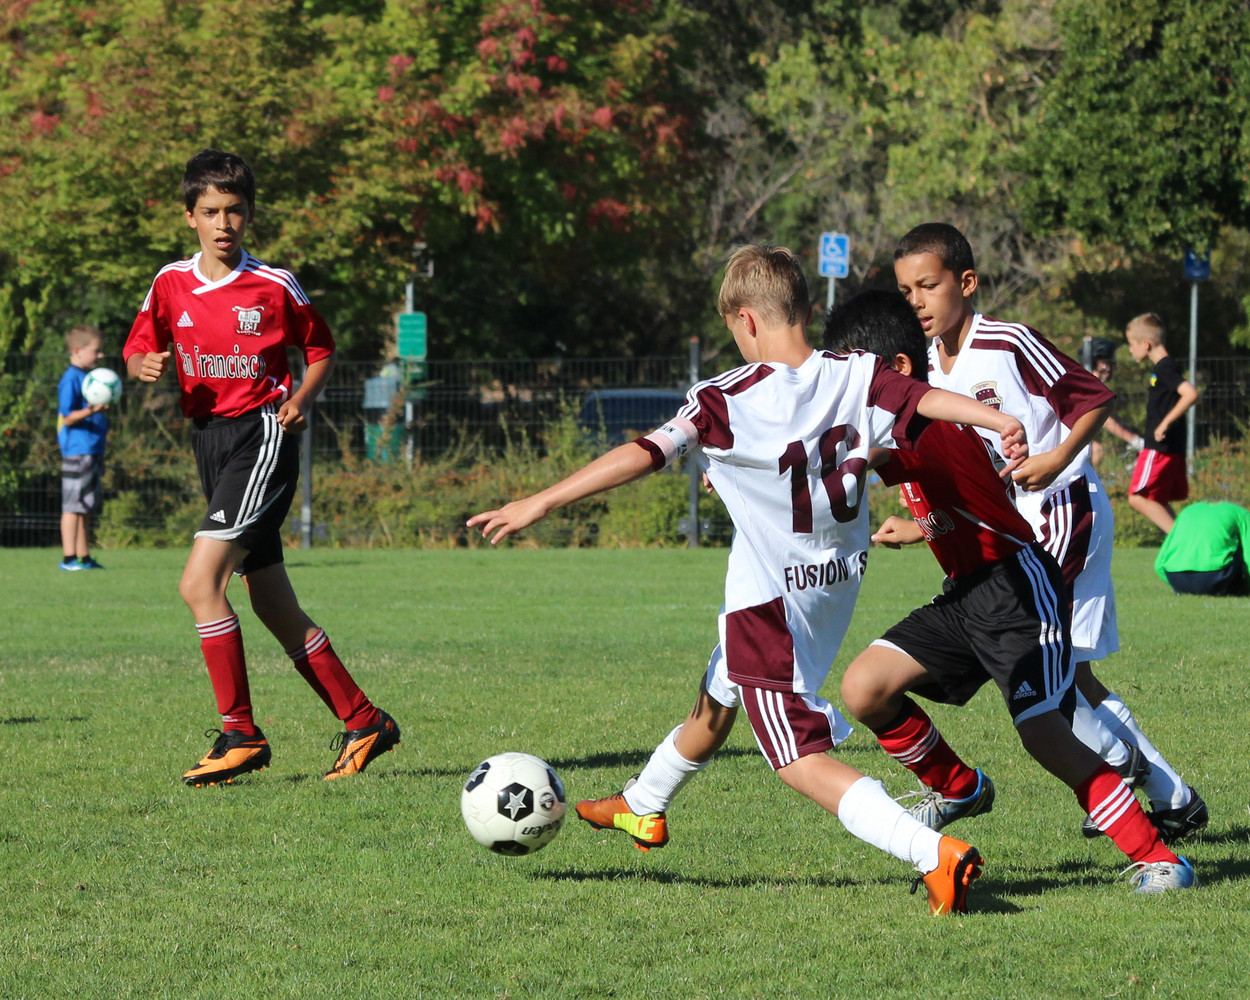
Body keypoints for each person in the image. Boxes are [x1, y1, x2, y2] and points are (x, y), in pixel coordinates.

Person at [469, 243, 1033, 914]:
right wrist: (997, 417)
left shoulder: (724, 399)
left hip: (771, 606)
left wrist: (541, 501)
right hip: (833, 584)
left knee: (796, 756)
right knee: (721, 687)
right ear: (805, 310)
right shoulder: (856, 371)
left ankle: (930, 851)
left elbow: (645, 452)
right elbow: (924, 399)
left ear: (746, 320)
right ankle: (643, 803)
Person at [826, 289, 1195, 893]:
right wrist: (919, 526)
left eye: (849, 375)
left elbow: (849, 456)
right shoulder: (906, 423)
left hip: (1018, 589)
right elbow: (966, 496)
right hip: (964, 597)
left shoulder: (921, 423)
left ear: (896, 372)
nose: (838, 390)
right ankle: (958, 788)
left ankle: (1160, 858)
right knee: (864, 687)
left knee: (1043, 731)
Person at [893, 222, 1206, 843]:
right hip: (1015, 527)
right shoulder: (925, 367)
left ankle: (1114, 766)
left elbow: (1094, 397)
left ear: (967, 282)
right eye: (906, 292)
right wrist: (923, 523)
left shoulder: (1007, 342)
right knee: (1071, 673)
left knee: (1037, 663)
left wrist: (1057, 457)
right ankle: (1173, 799)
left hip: (1060, 509)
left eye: (928, 285)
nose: (917, 302)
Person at [123, 149, 400, 786]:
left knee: (200, 584)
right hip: (210, 443)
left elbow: (321, 347)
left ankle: (241, 734)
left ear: (249, 214)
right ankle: (365, 720)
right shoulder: (170, 282)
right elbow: (140, 343)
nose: (223, 223)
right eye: (210, 212)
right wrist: (141, 364)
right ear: (189, 216)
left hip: (262, 438)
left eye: (235, 211)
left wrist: (301, 399)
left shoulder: (273, 285)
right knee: (272, 603)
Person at [1124, 313, 1200, 535]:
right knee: (1157, 500)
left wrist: (1164, 424)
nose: (1130, 350)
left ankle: (1184, 542)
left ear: (1145, 344)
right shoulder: (1166, 367)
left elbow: (1191, 394)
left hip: (1159, 449)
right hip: (1169, 448)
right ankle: (1187, 541)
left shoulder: (1164, 368)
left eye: (1131, 344)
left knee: (1138, 498)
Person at [57, 325, 111, 571]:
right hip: (77, 450)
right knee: (72, 506)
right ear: (78, 350)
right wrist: (93, 410)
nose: (100, 355)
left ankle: (84, 557)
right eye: (96, 351)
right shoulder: (71, 378)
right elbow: (67, 417)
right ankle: (69, 559)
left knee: (85, 506)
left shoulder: (87, 377)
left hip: (91, 449)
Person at [1155, 501, 1250, 596]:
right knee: (1237, 542)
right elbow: (1248, 553)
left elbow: (1159, 563)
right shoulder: (1242, 514)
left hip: (1175, 578)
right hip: (1214, 577)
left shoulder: (1187, 511)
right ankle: (1232, 588)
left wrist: (1176, 584)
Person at [1083, 338, 1144, 466]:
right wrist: (1134, 441)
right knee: (1096, 450)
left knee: (1097, 449)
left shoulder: (1094, 382)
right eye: (1109, 361)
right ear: (1099, 363)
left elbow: (1110, 415)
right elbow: (1105, 419)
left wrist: (1135, 437)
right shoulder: (1089, 384)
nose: (1114, 366)